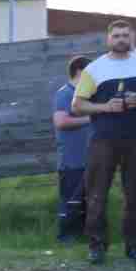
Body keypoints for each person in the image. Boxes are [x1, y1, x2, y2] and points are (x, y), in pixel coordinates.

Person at [72, 21, 136, 264]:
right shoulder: (95, 69)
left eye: (125, 35)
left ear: (132, 38)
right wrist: (105, 107)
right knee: (97, 194)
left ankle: (135, 246)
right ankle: (96, 247)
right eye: (116, 35)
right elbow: (77, 105)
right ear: (108, 39)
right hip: (103, 140)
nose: (121, 39)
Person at [52, 56, 93, 241]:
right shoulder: (65, 93)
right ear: (80, 71)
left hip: (89, 158)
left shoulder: (86, 96)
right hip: (72, 160)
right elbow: (61, 121)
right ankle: (67, 239)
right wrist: (90, 119)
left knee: (87, 202)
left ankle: (84, 238)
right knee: (72, 201)